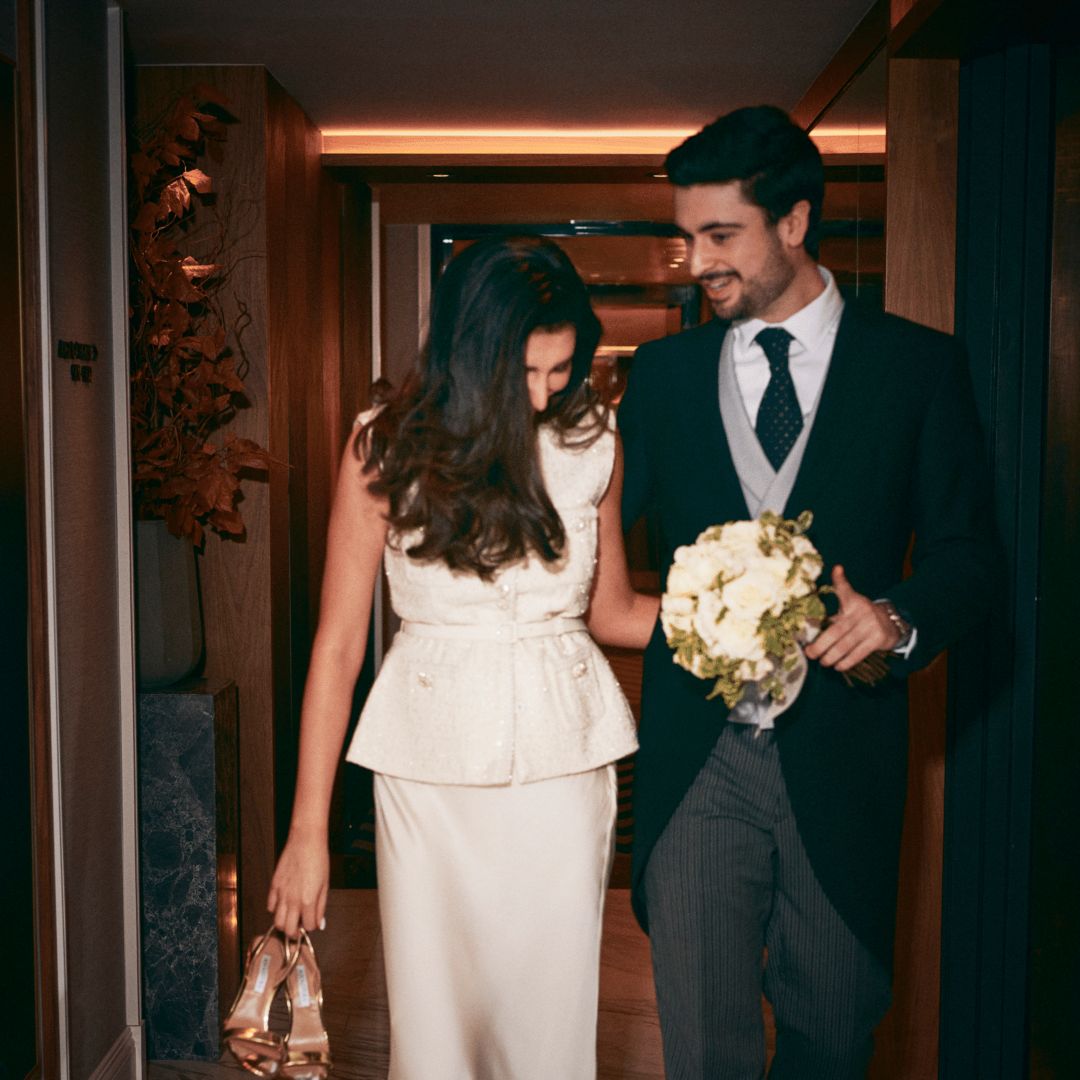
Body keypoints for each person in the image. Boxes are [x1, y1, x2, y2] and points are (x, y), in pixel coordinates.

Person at [618, 106, 998, 1078]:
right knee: (703, 1044)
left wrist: (896, 617)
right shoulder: (660, 377)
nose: (697, 262)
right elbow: (590, 534)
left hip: (844, 755)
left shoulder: (918, 366)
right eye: (687, 237)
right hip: (697, 760)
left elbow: (969, 556)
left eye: (721, 236)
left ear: (793, 222)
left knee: (833, 1029)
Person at [267, 234, 658, 1080]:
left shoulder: (596, 442)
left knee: (548, 1028)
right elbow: (337, 647)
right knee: (434, 1028)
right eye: (524, 373)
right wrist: (307, 833)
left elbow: (616, 612)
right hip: (426, 770)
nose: (544, 394)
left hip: (562, 766)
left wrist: (745, 615)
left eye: (560, 370)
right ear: (467, 354)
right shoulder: (383, 447)